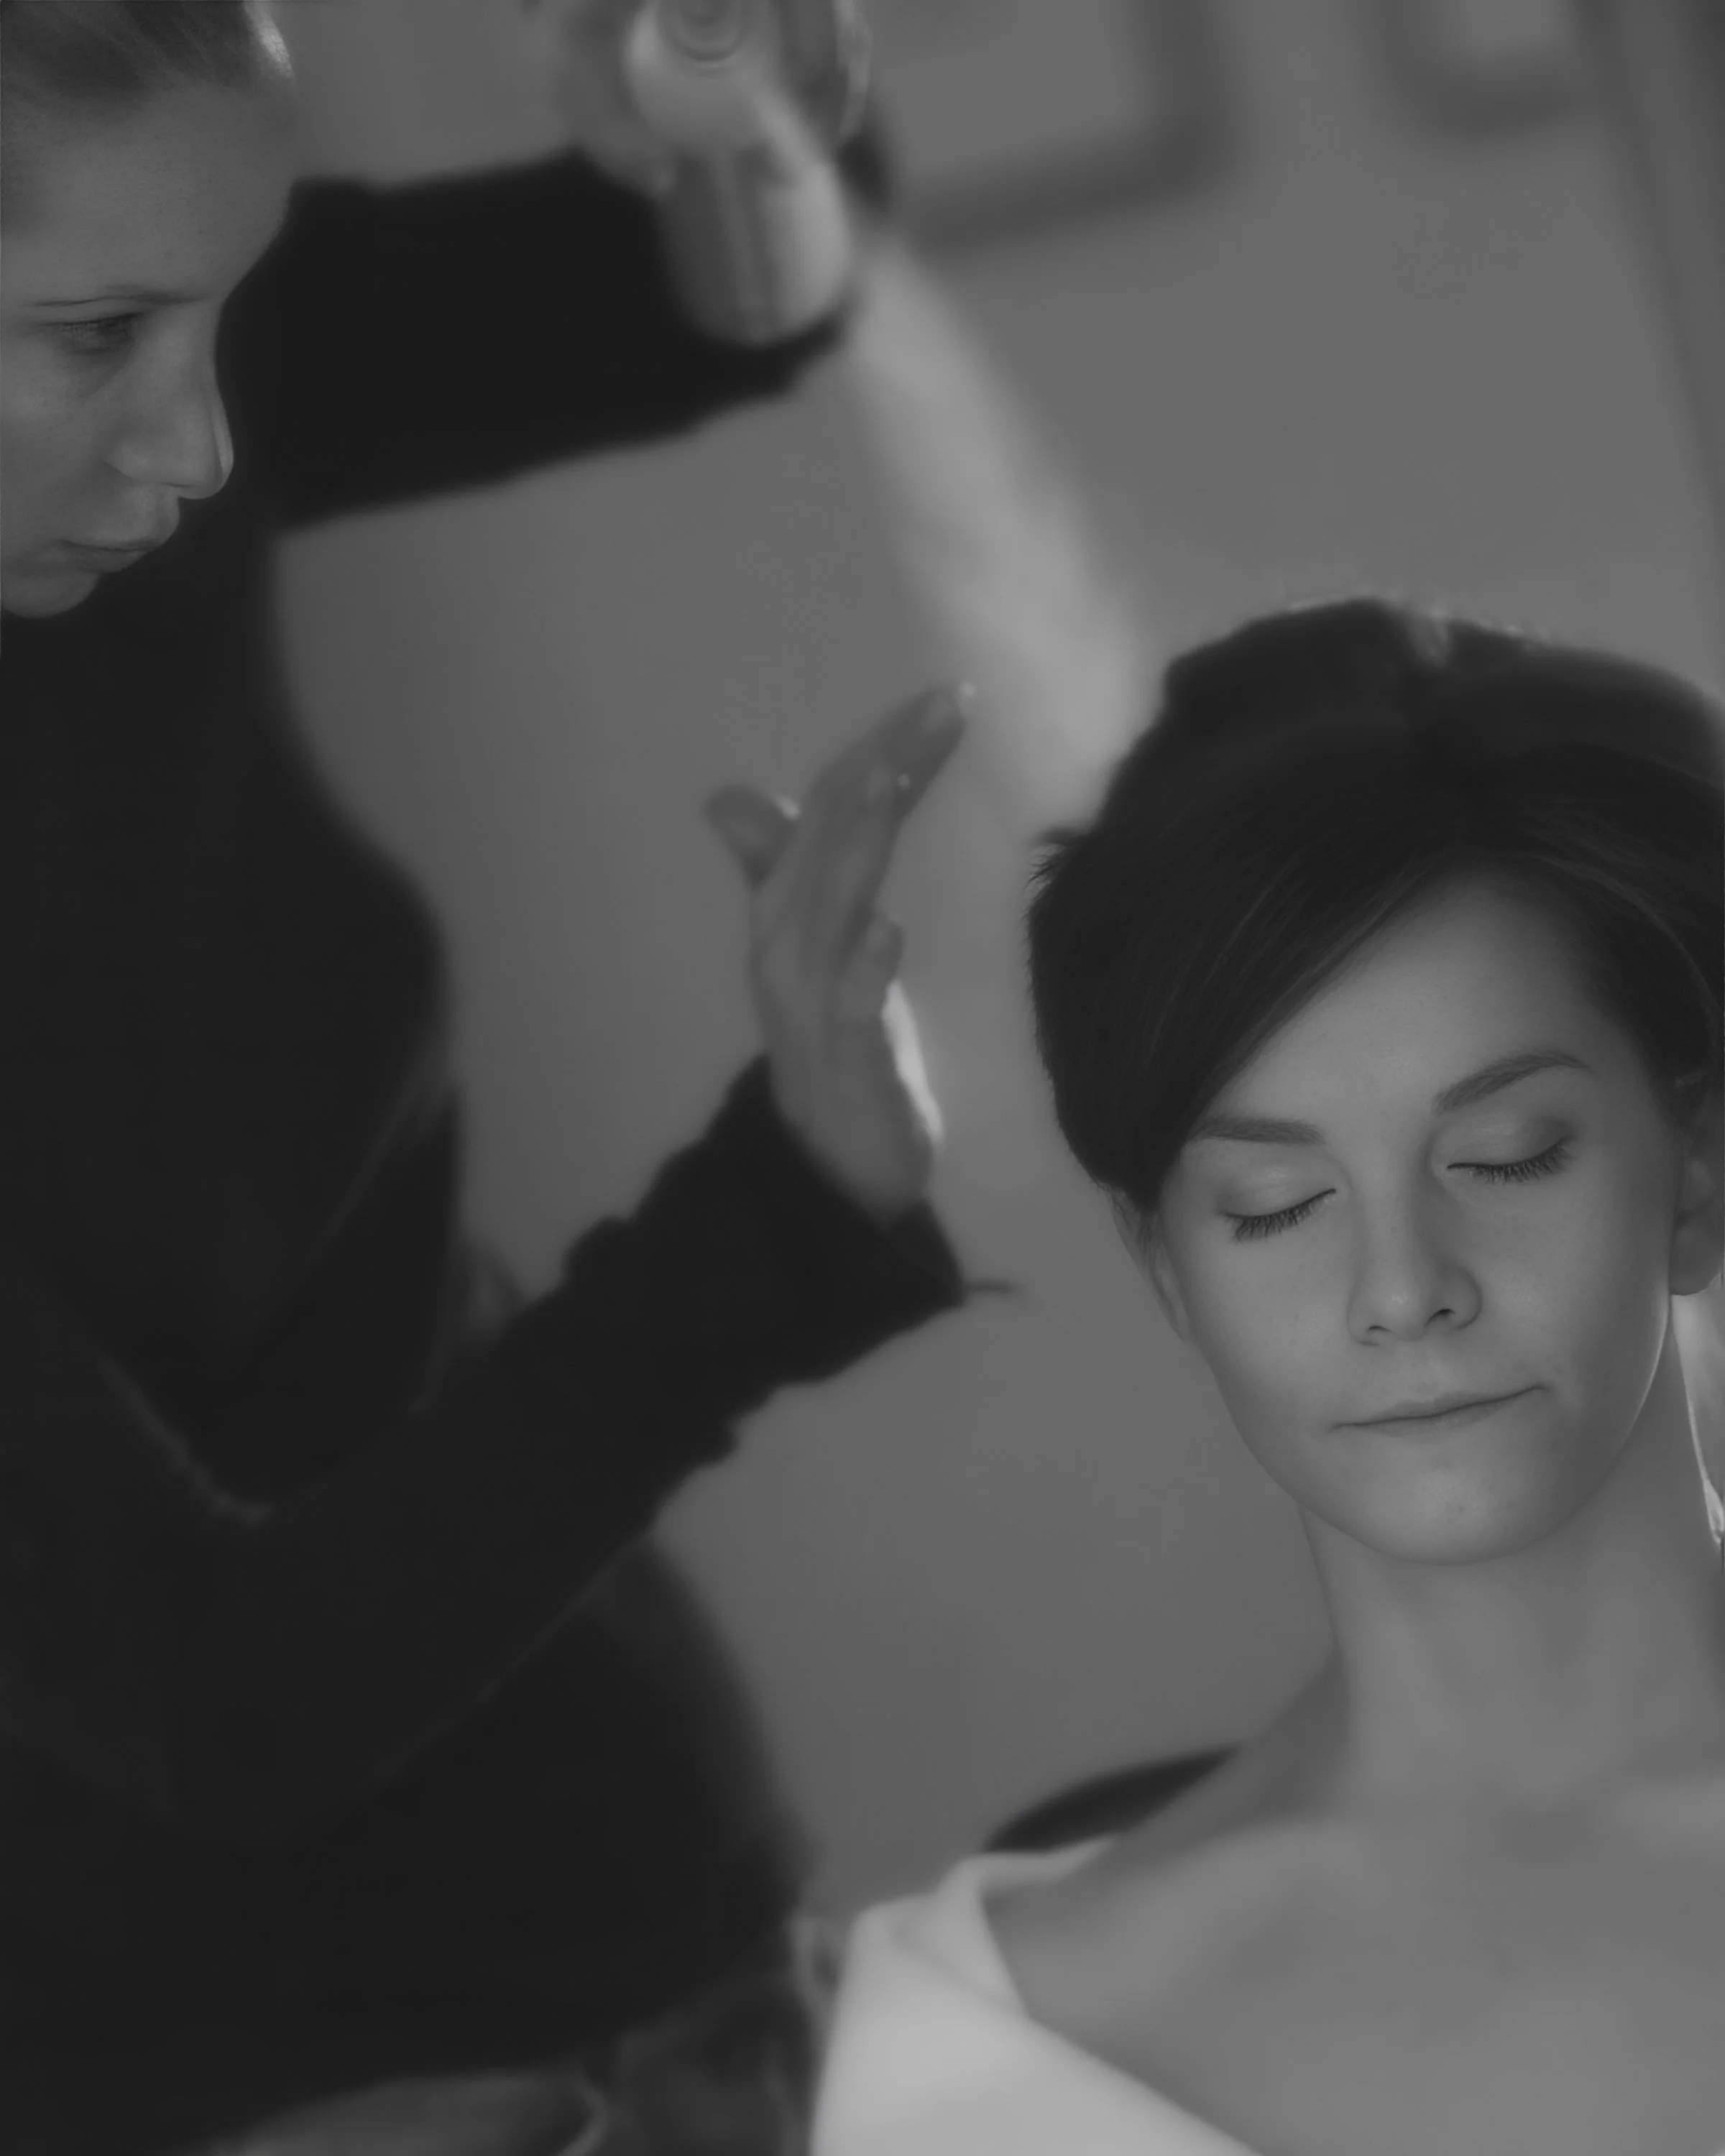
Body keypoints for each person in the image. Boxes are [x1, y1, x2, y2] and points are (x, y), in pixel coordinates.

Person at [0, 0, 977, 2149]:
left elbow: (723, 300)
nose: (199, 448)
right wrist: (782, 1221)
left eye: (227, 322)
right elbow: (207, 1698)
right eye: (97, 341)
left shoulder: (140, 413)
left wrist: (716, 104)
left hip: (645, 1929)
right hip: (224, 2080)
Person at [814, 596, 1725, 2156]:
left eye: (1506, 1156)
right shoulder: (1004, 2060)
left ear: (1698, 1174)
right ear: (1170, 1266)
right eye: (1274, 1207)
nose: (1403, 1289)